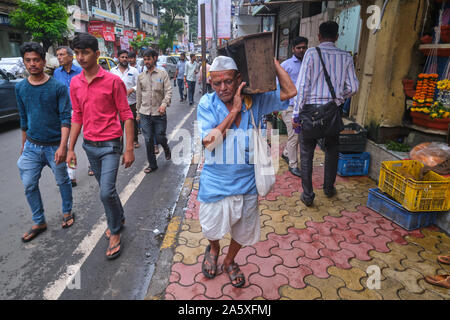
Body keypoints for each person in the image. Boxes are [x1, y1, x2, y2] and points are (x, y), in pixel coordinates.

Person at [197, 56, 297, 287]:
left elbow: (290, 91)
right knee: (210, 227)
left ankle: (230, 260)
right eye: (216, 83)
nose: (222, 88)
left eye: (228, 82)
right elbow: (208, 142)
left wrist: (268, 58)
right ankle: (213, 249)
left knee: (243, 230)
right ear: (211, 83)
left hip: (247, 182)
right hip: (215, 182)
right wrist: (234, 111)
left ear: (239, 79)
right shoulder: (207, 103)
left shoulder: (255, 100)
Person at [66, 33, 135, 260]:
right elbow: (77, 115)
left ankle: (115, 231)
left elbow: (126, 115)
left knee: (106, 192)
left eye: (85, 52)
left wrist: (129, 149)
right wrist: (70, 147)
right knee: (109, 193)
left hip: (111, 145)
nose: (80, 57)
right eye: (77, 53)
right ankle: (120, 217)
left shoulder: (113, 81)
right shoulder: (75, 83)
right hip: (90, 146)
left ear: (96, 54)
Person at [294, 21, 359, 207]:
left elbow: (302, 86)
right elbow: (353, 87)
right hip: (332, 111)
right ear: (337, 36)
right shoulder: (346, 56)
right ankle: (329, 188)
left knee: (306, 153)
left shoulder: (312, 53)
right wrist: (339, 99)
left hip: (309, 112)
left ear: (319, 36)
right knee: (332, 150)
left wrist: (296, 114)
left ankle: (308, 195)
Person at [16, 42, 74, 242]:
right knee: (29, 184)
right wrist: (23, 146)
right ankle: (39, 220)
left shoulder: (57, 87)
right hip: (32, 146)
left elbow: (66, 119)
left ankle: (67, 211)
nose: (32, 64)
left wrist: (63, 147)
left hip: (54, 145)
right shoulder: (20, 87)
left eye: (36, 60)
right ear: (24, 62)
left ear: (43, 61)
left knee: (62, 181)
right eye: (28, 60)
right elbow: (24, 119)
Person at [136, 49, 173, 174]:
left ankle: (166, 148)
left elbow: (168, 91)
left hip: (159, 113)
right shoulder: (141, 77)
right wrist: (137, 113)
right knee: (148, 140)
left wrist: (163, 105)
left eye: (149, 59)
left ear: (155, 58)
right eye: (145, 59)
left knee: (160, 136)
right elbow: (139, 96)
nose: (146, 62)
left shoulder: (163, 74)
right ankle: (153, 164)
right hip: (145, 113)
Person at [279, 37, 308, 178]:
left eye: (304, 47)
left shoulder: (309, 63)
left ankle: (285, 153)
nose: (302, 50)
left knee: (296, 135)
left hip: (304, 107)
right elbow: (278, 85)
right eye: (299, 48)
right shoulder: (286, 65)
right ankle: (293, 165)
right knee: (295, 136)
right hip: (289, 106)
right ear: (293, 49)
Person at [53, 46, 82, 187]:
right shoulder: (57, 73)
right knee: (69, 143)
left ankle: (92, 165)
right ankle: (71, 176)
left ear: (71, 57)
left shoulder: (81, 71)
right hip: (65, 113)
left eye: (62, 55)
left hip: (82, 111)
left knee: (87, 141)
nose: (59, 57)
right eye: (57, 55)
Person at [111, 50, 140, 149]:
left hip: (131, 103)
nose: (124, 59)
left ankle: (134, 140)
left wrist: (132, 89)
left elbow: (139, 84)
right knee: (119, 125)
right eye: (122, 57)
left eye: (126, 57)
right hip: (117, 104)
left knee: (132, 124)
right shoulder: (113, 71)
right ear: (118, 58)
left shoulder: (134, 71)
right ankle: (120, 146)